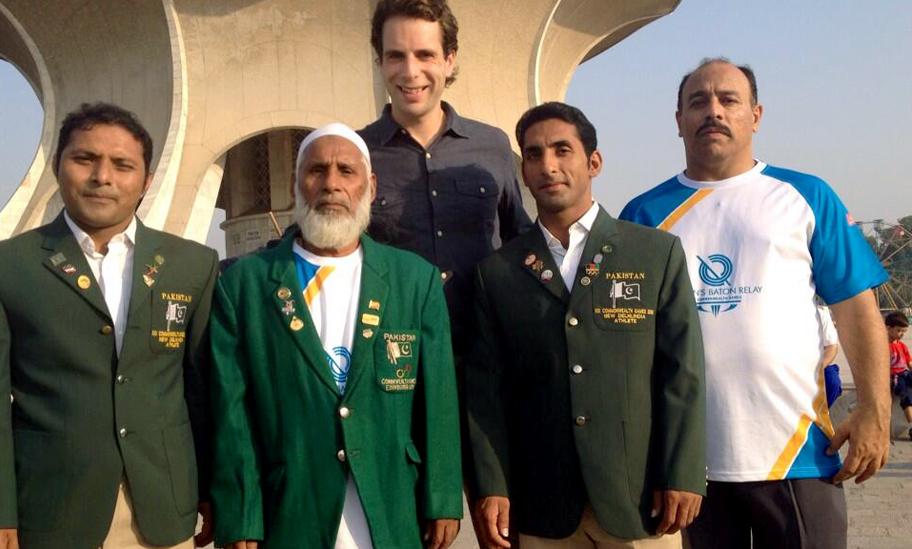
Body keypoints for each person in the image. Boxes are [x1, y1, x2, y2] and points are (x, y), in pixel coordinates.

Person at [620, 58, 891, 548]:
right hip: (690, 464)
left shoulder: (805, 196)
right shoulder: (642, 214)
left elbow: (856, 310)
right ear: (678, 119)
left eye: (729, 100)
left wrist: (875, 409)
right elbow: (627, 339)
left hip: (800, 453)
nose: (713, 111)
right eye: (697, 102)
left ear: (756, 115)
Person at [0, 103, 217, 548]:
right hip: (49, 513)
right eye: (85, 159)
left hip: (163, 511)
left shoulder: (191, 265)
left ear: (146, 181)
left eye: (122, 165)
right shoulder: (3, 268)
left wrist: (212, 489)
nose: (102, 177)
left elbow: (202, 392)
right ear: (59, 167)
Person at [210, 123, 462, 549]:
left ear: (370, 185)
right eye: (316, 171)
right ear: (295, 185)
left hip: (389, 501)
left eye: (347, 171)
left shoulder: (412, 279)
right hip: (290, 508)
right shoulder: (246, 284)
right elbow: (232, 412)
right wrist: (241, 515)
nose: (331, 184)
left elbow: (437, 398)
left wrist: (441, 498)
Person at [467, 102, 706, 549]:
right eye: (534, 155)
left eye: (562, 150)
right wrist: (492, 485)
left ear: (593, 162)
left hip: (640, 500)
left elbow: (683, 374)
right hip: (544, 502)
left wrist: (683, 472)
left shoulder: (654, 254)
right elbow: (486, 393)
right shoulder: (498, 271)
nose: (548, 166)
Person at [359, 0, 532, 362]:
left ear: (449, 59)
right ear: (379, 62)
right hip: (396, 356)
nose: (411, 71)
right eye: (395, 56)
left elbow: (521, 240)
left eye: (425, 54)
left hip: (487, 354)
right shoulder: (356, 155)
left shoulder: (492, 146)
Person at [885, 311, 912, 438]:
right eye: (899, 331)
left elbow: (909, 362)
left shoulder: (902, 346)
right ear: (888, 328)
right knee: (905, 393)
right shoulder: (884, 346)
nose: (901, 334)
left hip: (905, 373)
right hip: (895, 376)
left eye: (903, 332)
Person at [818, 304, 843, 406]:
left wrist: (818, 368)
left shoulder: (820, 313)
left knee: (832, 381)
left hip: (815, 365)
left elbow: (831, 347)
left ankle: (820, 415)